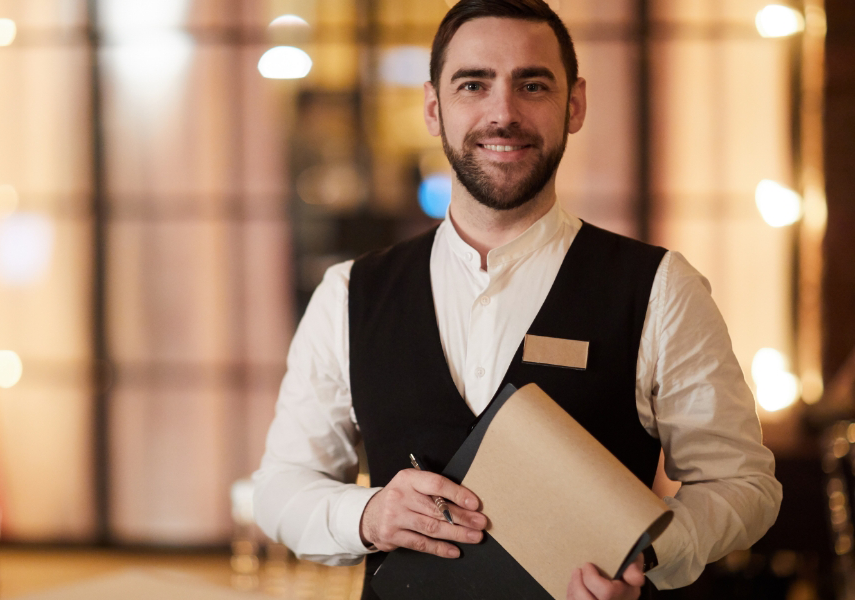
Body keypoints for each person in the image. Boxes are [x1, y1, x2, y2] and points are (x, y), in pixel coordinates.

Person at [252, 1, 782, 598]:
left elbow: (742, 484)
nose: (503, 113)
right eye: (473, 84)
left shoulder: (661, 287)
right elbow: (280, 488)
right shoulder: (350, 294)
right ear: (434, 107)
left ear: (574, 104)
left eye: (532, 85)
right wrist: (369, 515)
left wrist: (645, 552)